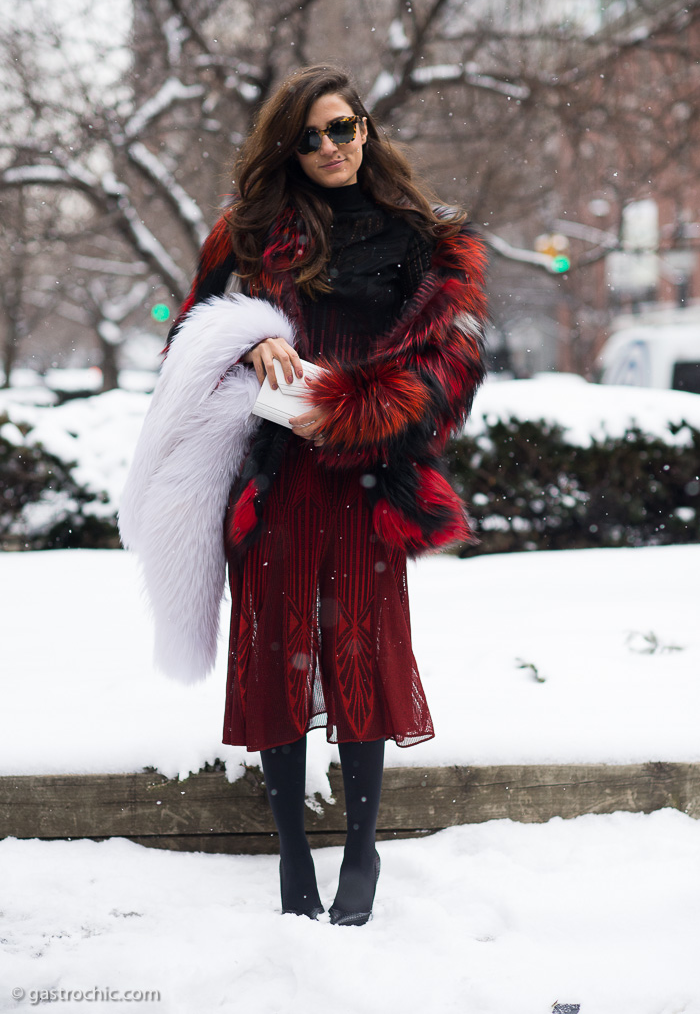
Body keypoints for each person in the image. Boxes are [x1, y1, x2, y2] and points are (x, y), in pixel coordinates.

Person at [119, 63, 487, 927]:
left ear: (367, 128)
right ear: (289, 147)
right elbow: (185, 336)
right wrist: (243, 344)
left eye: (343, 127)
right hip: (275, 478)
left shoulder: (422, 239)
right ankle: (292, 852)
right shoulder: (251, 233)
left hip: (367, 480)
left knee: (358, 653)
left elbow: (453, 368)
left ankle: (361, 848)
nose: (330, 147)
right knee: (278, 658)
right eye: (311, 135)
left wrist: (359, 412)